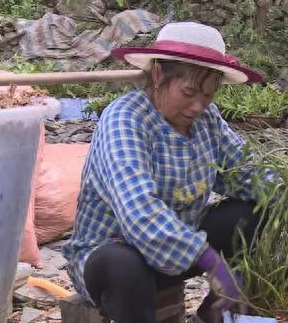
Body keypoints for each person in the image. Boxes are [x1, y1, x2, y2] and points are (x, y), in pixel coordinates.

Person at [62, 22, 273, 323]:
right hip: (115, 253)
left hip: (180, 248)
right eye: (188, 92)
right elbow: (140, 213)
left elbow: (244, 170)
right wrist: (212, 262)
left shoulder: (207, 120)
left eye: (208, 96)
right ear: (159, 74)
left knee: (258, 215)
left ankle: (214, 315)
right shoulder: (125, 119)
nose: (198, 106)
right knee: (124, 266)